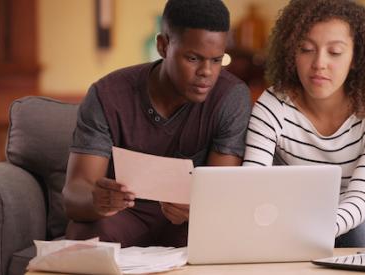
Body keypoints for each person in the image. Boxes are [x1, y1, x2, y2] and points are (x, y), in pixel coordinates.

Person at [63, 0, 251, 248]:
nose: (207, 72)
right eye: (193, 58)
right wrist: (96, 201)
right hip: (123, 218)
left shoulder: (230, 97)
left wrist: (199, 208)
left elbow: (221, 197)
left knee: (220, 238)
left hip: (187, 226)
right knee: (83, 234)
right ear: (163, 45)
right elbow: (74, 193)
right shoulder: (107, 95)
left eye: (217, 60)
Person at [243, 0, 365, 247]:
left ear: (355, 57)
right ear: (291, 53)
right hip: (291, 216)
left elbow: (360, 199)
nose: (319, 63)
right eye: (306, 49)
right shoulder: (273, 104)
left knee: (361, 226)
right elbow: (250, 185)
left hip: (353, 220)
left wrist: (311, 232)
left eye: (335, 52)